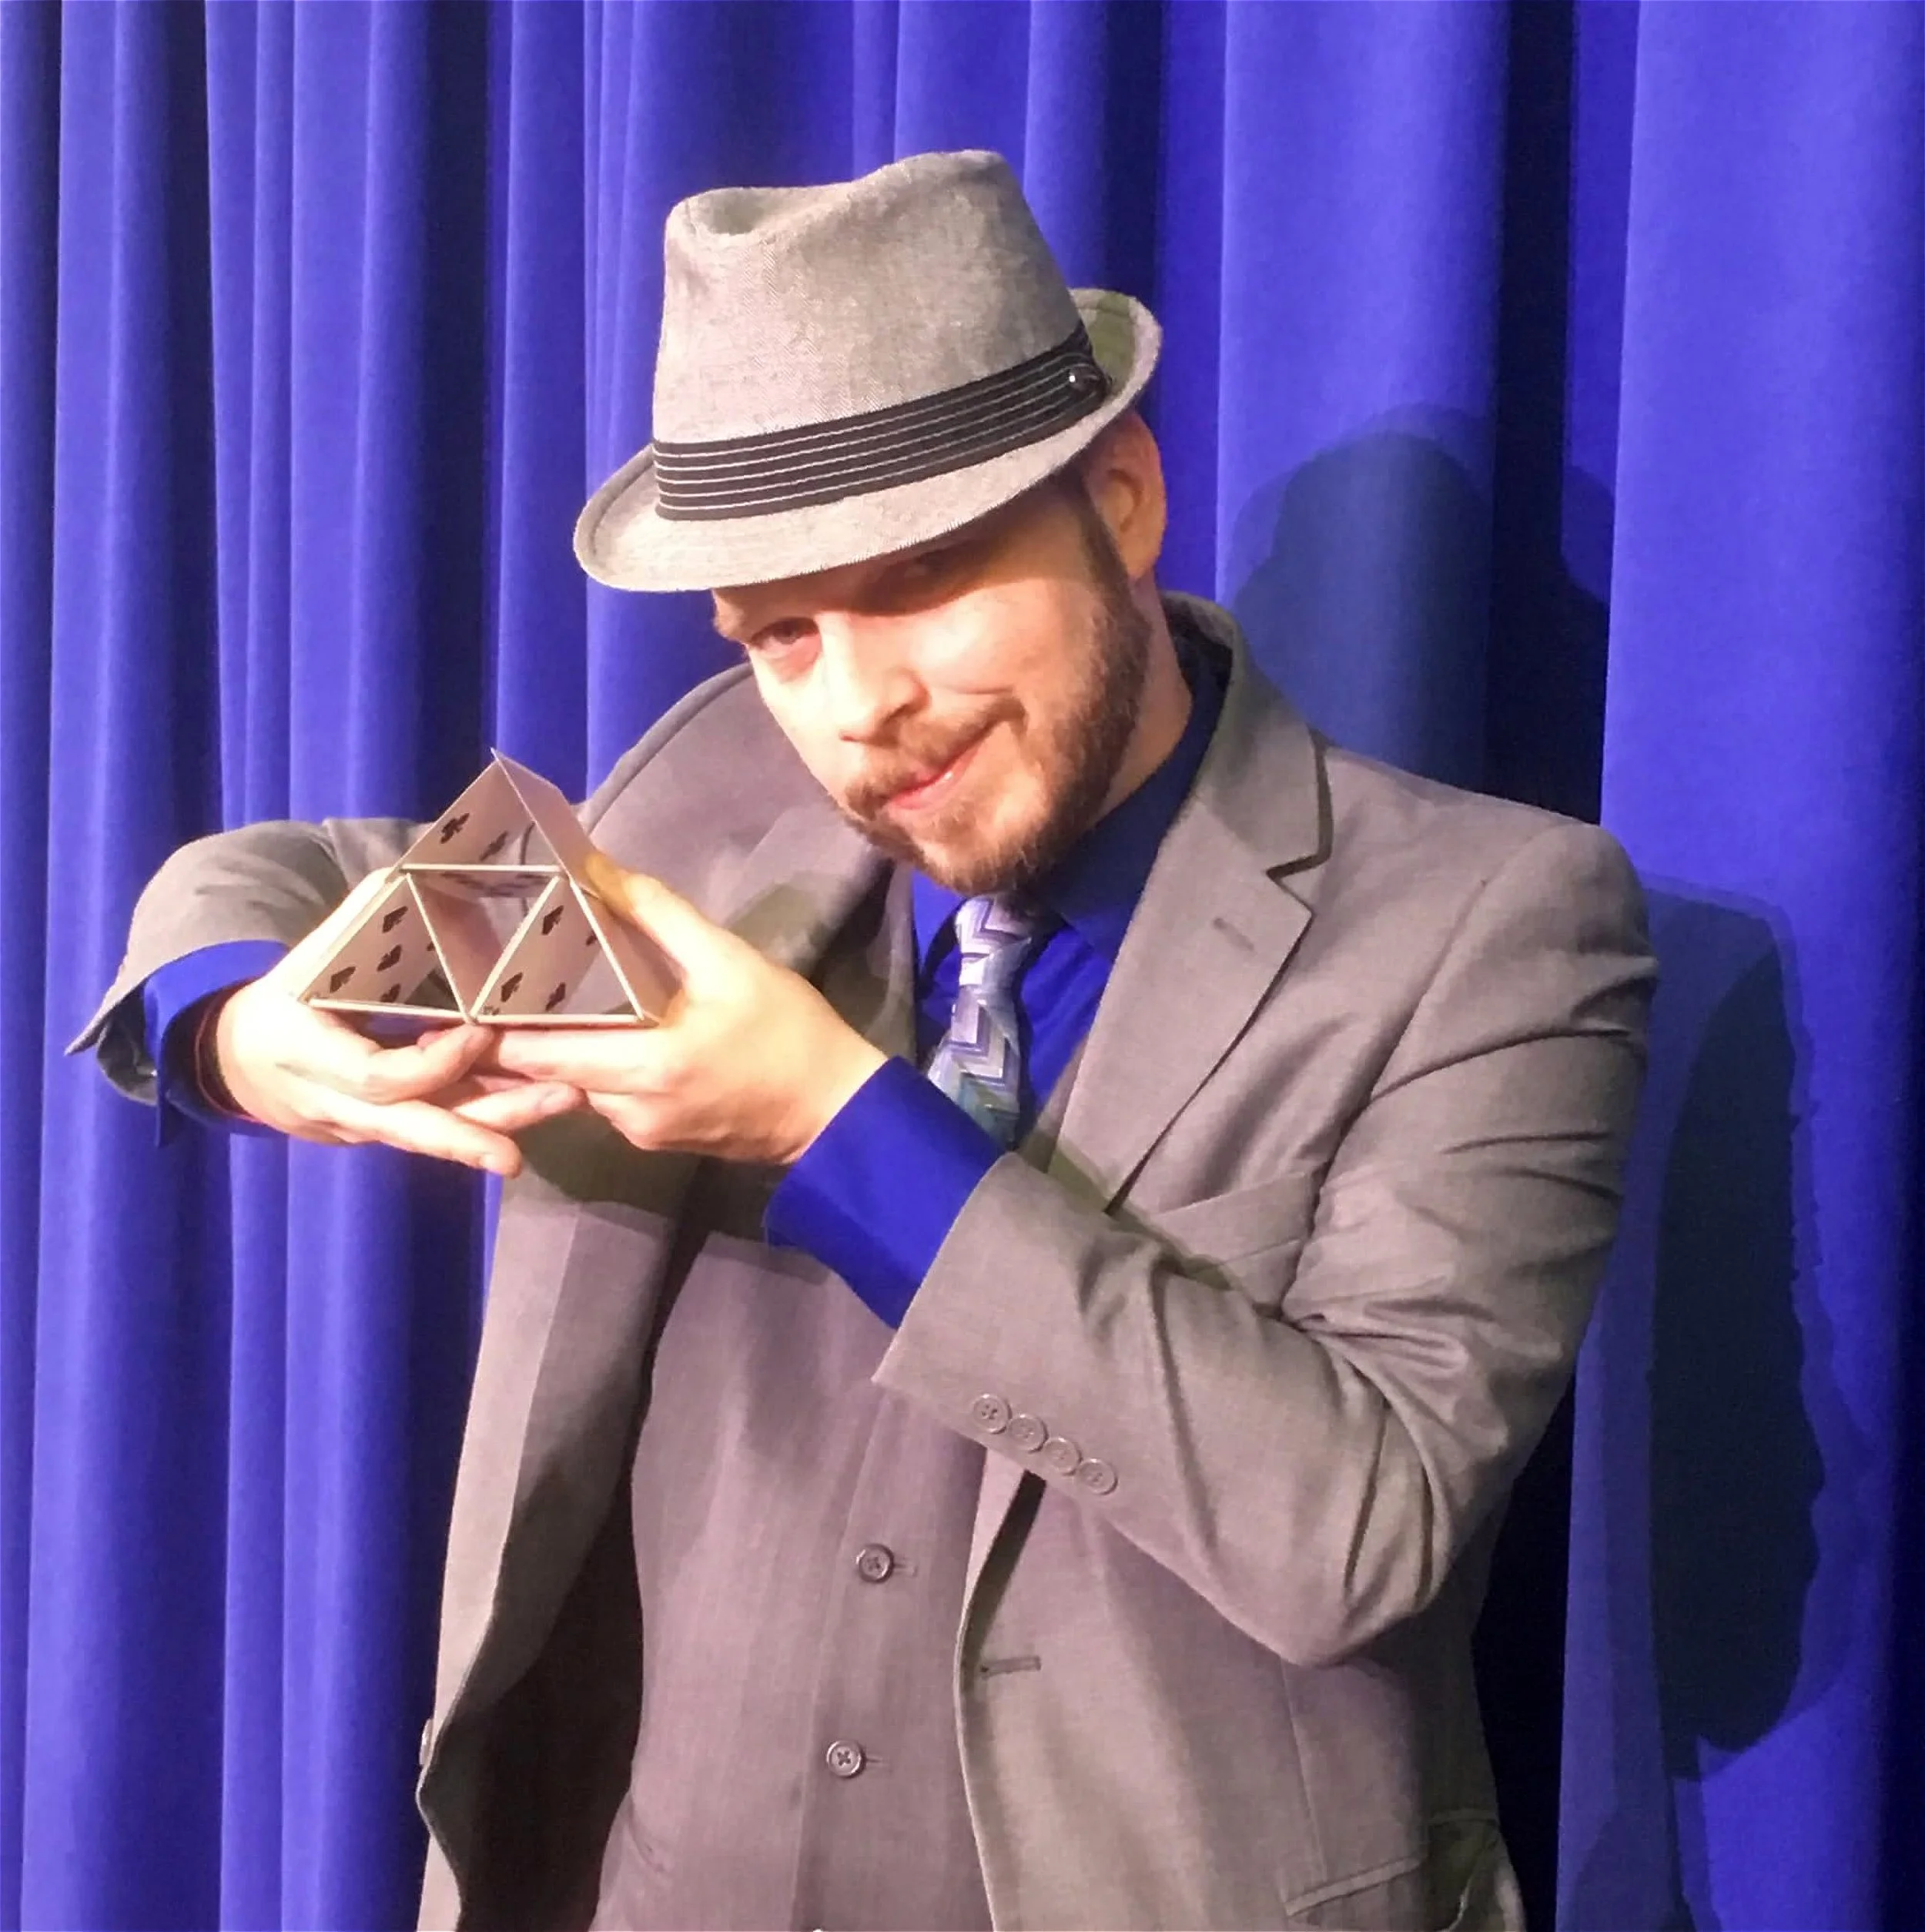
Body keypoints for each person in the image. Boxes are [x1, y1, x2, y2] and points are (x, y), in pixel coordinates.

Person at [79, 151, 1655, 1932]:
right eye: (778, 634)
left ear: (1120, 502)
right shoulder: (714, 793)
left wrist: (832, 1121)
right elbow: (288, 871)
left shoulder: (1488, 923)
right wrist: (230, 1027)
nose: (856, 712)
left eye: (913, 584)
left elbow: (1362, 1528)